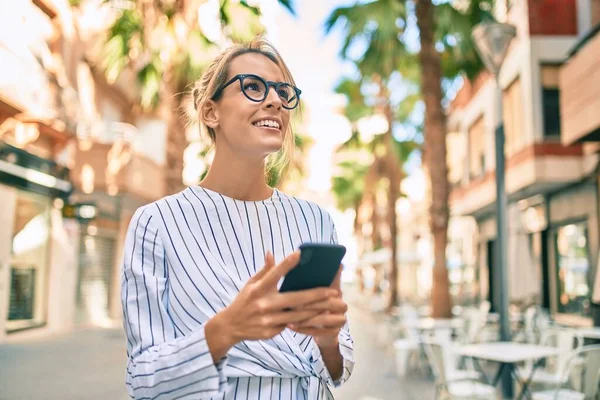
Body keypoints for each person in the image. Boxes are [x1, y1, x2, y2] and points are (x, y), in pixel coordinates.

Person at [121, 37, 354, 400]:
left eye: (283, 92)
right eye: (253, 87)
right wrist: (225, 330)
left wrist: (328, 341)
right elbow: (143, 380)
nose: (276, 101)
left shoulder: (316, 220)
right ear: (211, 112)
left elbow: (337, 370)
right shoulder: (158, 223)